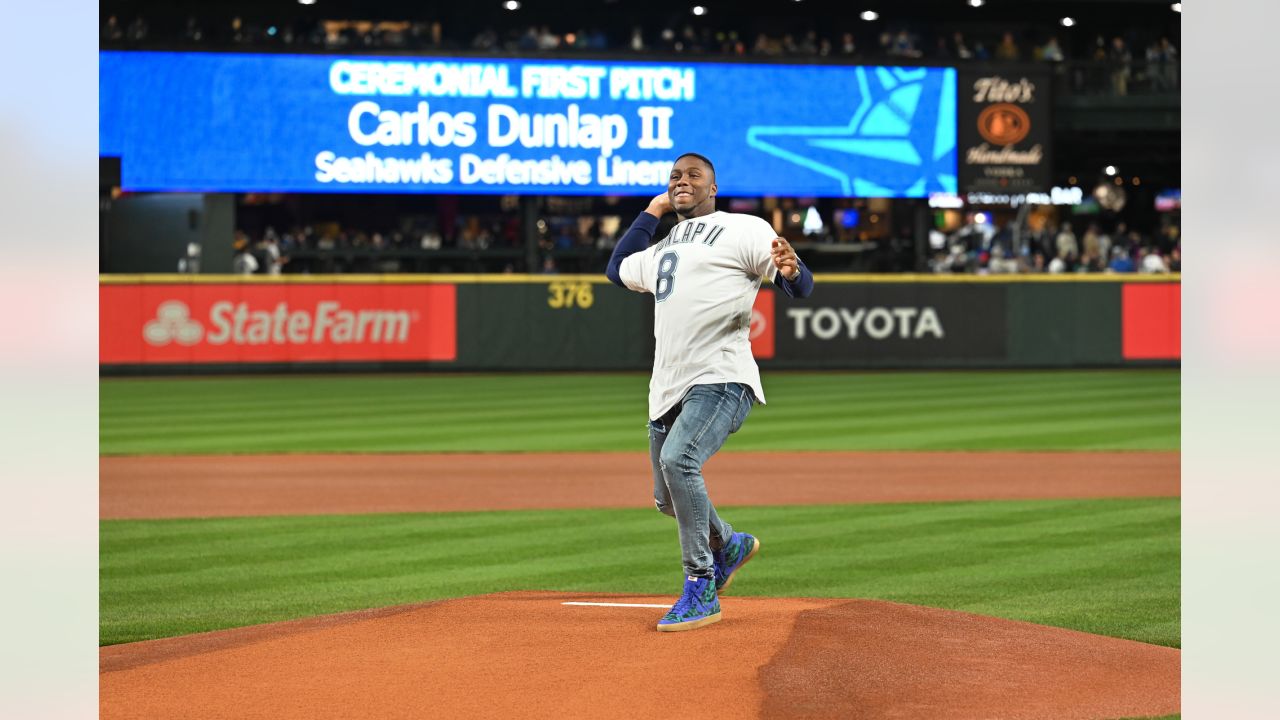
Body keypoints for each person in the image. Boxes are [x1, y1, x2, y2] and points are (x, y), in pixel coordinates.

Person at [605, 153, 815, 632]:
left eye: (693, 175)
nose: (682, 181)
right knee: (665, 498)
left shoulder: (743, 228)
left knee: (679, 461)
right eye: (675, 176)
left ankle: (700, 586)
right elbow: (616, 269)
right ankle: (731, 543)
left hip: (722, 376)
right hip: (667, 385)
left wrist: (791, 270)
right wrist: (653, 211)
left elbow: (798, 284)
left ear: (713, 187)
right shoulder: (664, 245)